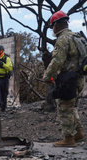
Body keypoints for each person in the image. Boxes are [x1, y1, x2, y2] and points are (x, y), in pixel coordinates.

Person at [43, 10, 85, 147]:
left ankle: (68, 139)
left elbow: (57, 61)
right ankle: (78, 133)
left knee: (64, 107)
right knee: (72, 106)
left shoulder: (63, 39)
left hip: (68, 79)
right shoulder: (77, 37)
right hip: (80, 78)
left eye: (52, 27)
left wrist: (47, 76)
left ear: (57, 25)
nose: (52, 30)